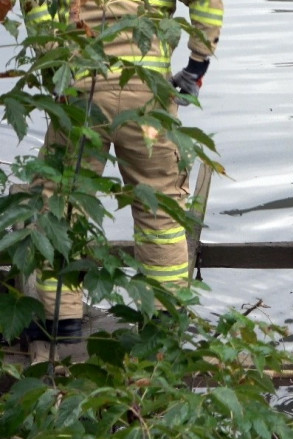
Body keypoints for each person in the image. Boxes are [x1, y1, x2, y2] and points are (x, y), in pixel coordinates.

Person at [21, 0, 223, 358]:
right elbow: (207, 4)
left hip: (82, 84)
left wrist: (57, 69)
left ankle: (60, 319)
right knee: (159, 204)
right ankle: (164, 318)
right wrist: (196, 65)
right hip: (147, 91)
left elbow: (37, 8)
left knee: (60, 198)